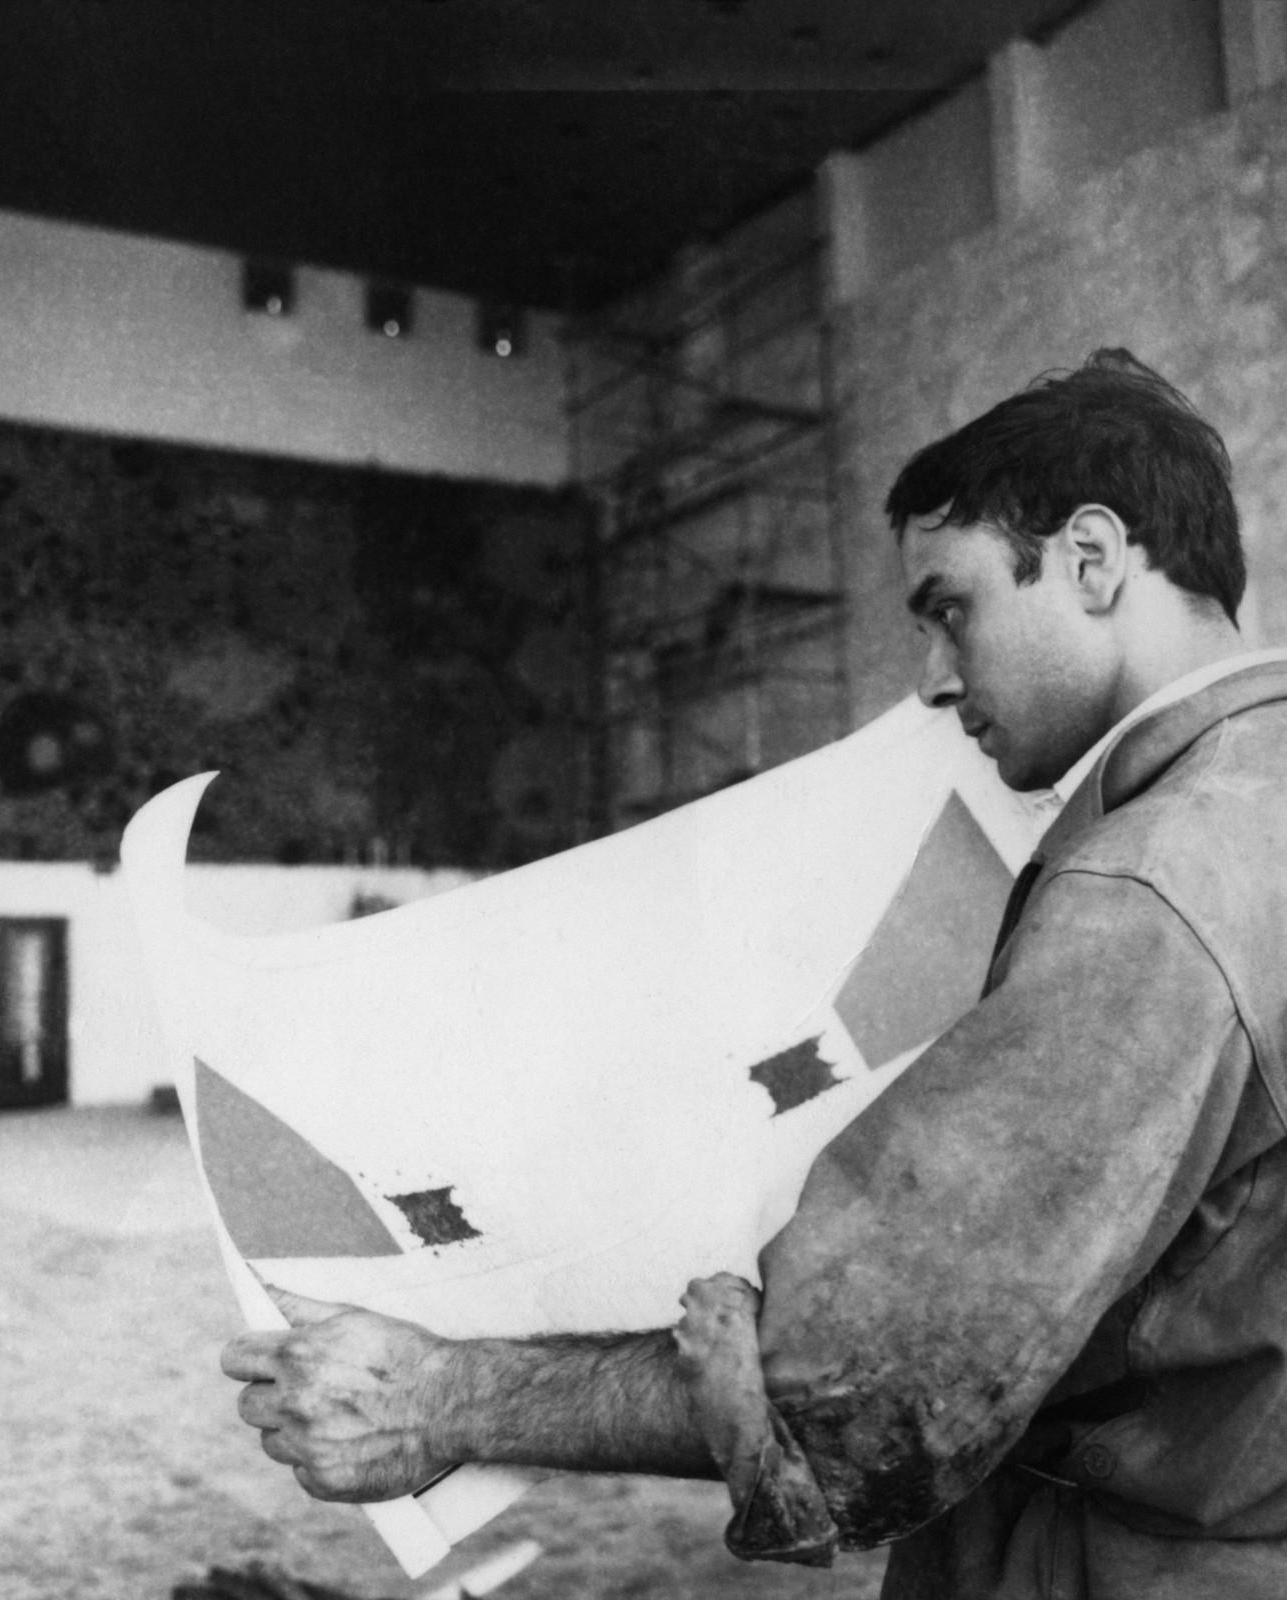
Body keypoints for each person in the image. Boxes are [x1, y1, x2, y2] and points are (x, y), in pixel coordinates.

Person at [220, 350, 1287, 1599]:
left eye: (951, 608)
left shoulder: (1150, 886)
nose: (937, 681)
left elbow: (861, 1384)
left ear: (1093, 560)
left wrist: (440, 1396)